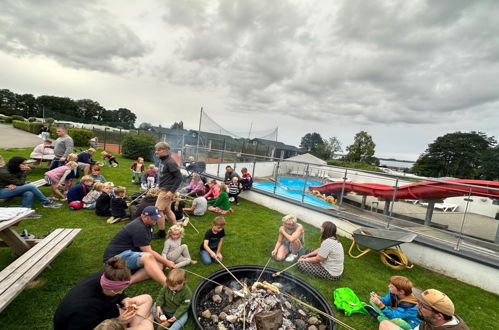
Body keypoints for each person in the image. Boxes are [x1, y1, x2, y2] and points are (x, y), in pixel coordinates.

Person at [53, 257, 154, 330]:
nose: (121, 292)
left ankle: (139, 324)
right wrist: (119, 321)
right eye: (119, 291)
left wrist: (125, 300)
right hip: (93, 325)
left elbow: (119, 294)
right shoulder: (85, 308)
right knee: (147, 326)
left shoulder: (106, 276)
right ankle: (144, 323)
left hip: (104, 316)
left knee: (147, 298)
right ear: (110, 289)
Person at [102, 206, 175, 285]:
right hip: (113, 260)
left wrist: (163, 262)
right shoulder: (139, 228)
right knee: (148, 257)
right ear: (144, 216)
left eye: (156, 217)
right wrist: (167, 262)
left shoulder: (148, 224)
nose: (156, 220)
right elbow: (148, 251)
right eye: (153, 218)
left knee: (159, 264)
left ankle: (128, 281)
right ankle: (167, 285)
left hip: (128, 254)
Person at [379, 289, 470, 330]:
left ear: (439, 316)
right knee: (385, 324)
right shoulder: (430, 318)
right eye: (419, 303)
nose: (417, 306)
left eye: (423, 306)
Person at [154, 142, 182, 238]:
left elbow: (179, 177)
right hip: (163, 189)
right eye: (156, 150)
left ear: (166, 150)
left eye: (159, 150)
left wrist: (171, 191)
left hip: (167, 191)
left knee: (158, 211)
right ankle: (177, 228)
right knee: (167, 210)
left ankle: (161, 232)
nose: (156, 152)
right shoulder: (163, 161)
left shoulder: (170, 162)